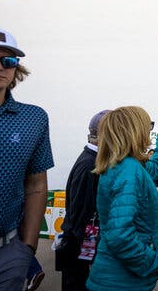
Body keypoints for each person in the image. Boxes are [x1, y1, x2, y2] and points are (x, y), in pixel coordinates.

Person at [0, 26, 54, 290]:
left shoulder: (33, 119)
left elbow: (36, 184)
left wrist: (28, 247)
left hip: (5, 257)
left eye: (8, 61)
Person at [86, 107, 158, 290]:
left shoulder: (126, 165)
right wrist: (150, 263)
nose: (148, 131)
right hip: (122, 281)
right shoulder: (129, 170)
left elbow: (156, 168)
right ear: (133, 131)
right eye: (147, 126)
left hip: (116, 278)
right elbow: (120, 234)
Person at [55, 110, 110, 290]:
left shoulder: (93, 160)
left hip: (81, 244)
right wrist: (86, 253)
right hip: (78, 246)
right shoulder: (89, 164)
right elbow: (81, 213)